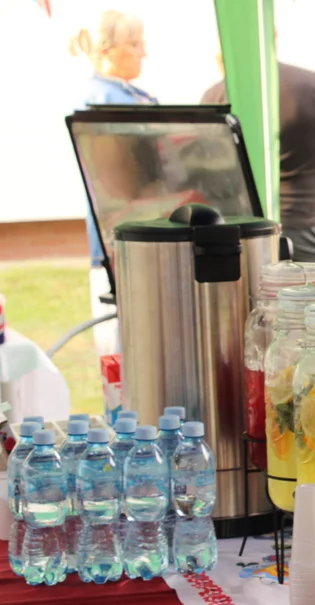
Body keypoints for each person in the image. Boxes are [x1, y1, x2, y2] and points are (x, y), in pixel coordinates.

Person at [71, 10, 156, 421]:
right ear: (108, 50)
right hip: (119, 252)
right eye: (136, 44)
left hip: (136, 247)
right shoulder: (105, 102)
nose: (144, 52)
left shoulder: (127, 96)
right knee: (122, 362)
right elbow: (121, 187)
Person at [202, 59, 315, 278]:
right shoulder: (314, 85)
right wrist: (307, 180)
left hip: (241, 230)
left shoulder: (215, 95)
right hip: (300, 223)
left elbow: (209, 173)